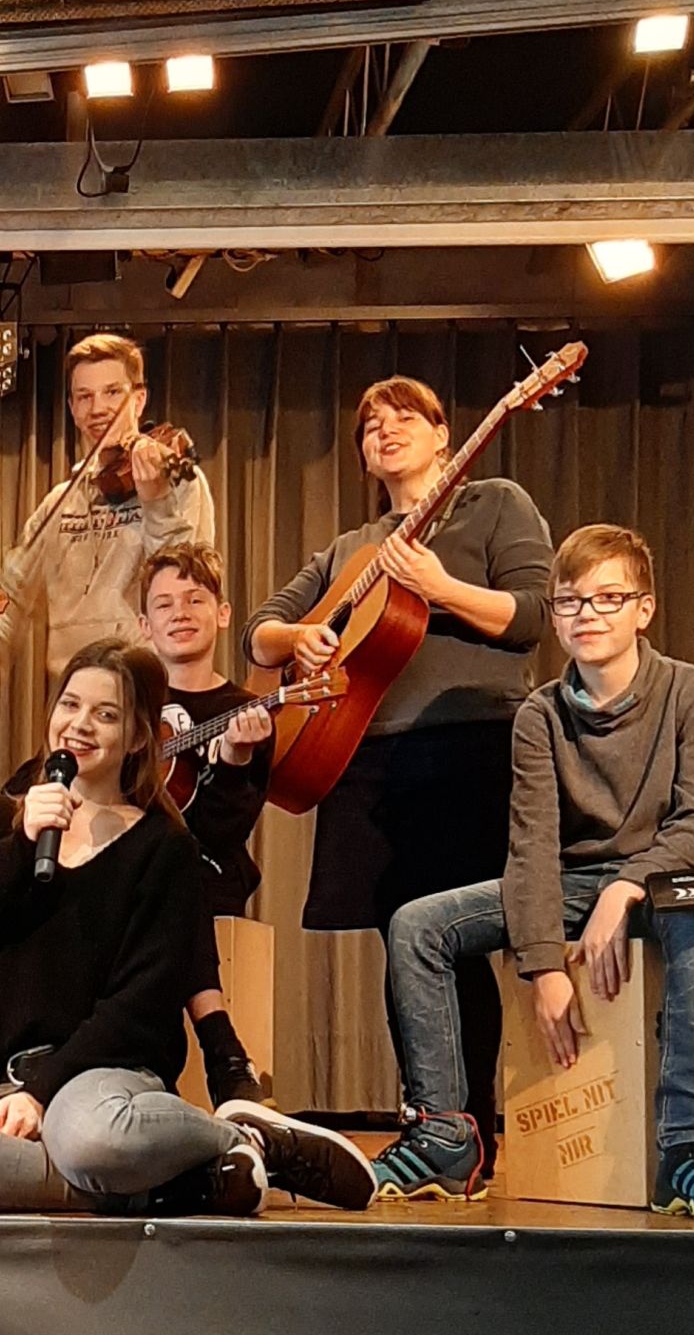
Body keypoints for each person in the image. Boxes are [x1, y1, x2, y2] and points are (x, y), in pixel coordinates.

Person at [0, 640, 376, 1215]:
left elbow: (139, 1004)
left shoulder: (162, 847)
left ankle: (242, 1137)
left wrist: (46, 1088)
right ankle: (174, 1185)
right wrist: (20, 847)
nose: (79, 725)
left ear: (140, 736)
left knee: (89, 1139)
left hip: (103, 1079)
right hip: (0, 1085)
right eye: (70, 705)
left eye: (106, 714)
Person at [375, 526, 694, 1222]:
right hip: (577, 884)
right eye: (570, 601)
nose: (588, 614)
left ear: (644, 609)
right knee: (417, 926)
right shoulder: (540, 714)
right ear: (553, 617)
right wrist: (544, 964)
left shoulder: (692, 691)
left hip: (668, 881)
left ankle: (688, 1150)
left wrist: (626, 885)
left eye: (609, 598)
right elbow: (532, 846)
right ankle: (445, 1137)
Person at [242, 374, 551, 1181]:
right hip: (370, 758)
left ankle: (469, 1130)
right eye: (370, 423)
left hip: (472, 745)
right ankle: (430, 1118)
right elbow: (258, 633)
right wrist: (301, 638)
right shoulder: (352, 548)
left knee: (454, 943)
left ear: (445, 434)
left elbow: (533, 613)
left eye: (405, 415)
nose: (385, 428)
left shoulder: (495, 505)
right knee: (402, 945)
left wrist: (440, 588)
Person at [0, 333, 215, 697]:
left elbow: (185, 583)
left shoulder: (179, 483)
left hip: (146, 686)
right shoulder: (59, 502)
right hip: (73, 687)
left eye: (112, 393)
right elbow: (13, 586)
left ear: (139, 400)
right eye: (84, 397)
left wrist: (157, 503)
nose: (98, 409)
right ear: (72, 407)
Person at [138, 543, 276, 1107]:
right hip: (130, 866)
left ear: (222, 614)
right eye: (164, 604)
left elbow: (226, 833)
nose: (180, 613)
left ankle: (216, 1061)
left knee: (180, 867)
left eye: (195, 599)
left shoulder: (248, 710)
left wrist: (236, 762)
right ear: (144, 625)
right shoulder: (126, 704)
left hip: (208, 870)